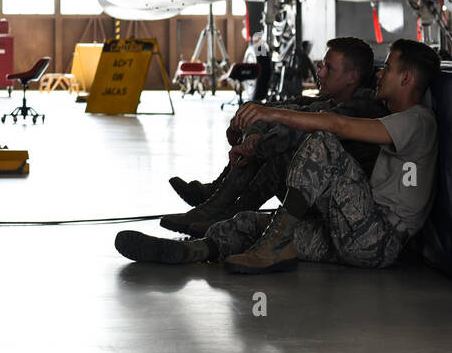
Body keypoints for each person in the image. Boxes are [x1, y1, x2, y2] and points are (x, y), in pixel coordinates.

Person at [117, 38, 440, 273]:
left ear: (407, 78)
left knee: (323, 143)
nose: (381, 73)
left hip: (378, 240)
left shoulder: (418, 121)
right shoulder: (393, 116)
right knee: (252, 223)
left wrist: (273, 117)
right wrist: (265, 118)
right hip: (351, 230)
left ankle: (273, 245)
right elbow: (313, 109)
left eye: (390, 67)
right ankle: (188, 251)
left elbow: (337, 125)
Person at [161, 37, 386, 237]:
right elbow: (281, 110)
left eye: (329, 68)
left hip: (346, 208)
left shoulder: (362, 107)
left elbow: (302, 129)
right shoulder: (332, 99)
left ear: (352, 77)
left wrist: (256, 145)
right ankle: (217, 203)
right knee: (272, 135)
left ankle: (221, 208)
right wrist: (251, 121)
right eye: (321, 65)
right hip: (315, 194)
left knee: (279, 153)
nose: (320, 72)